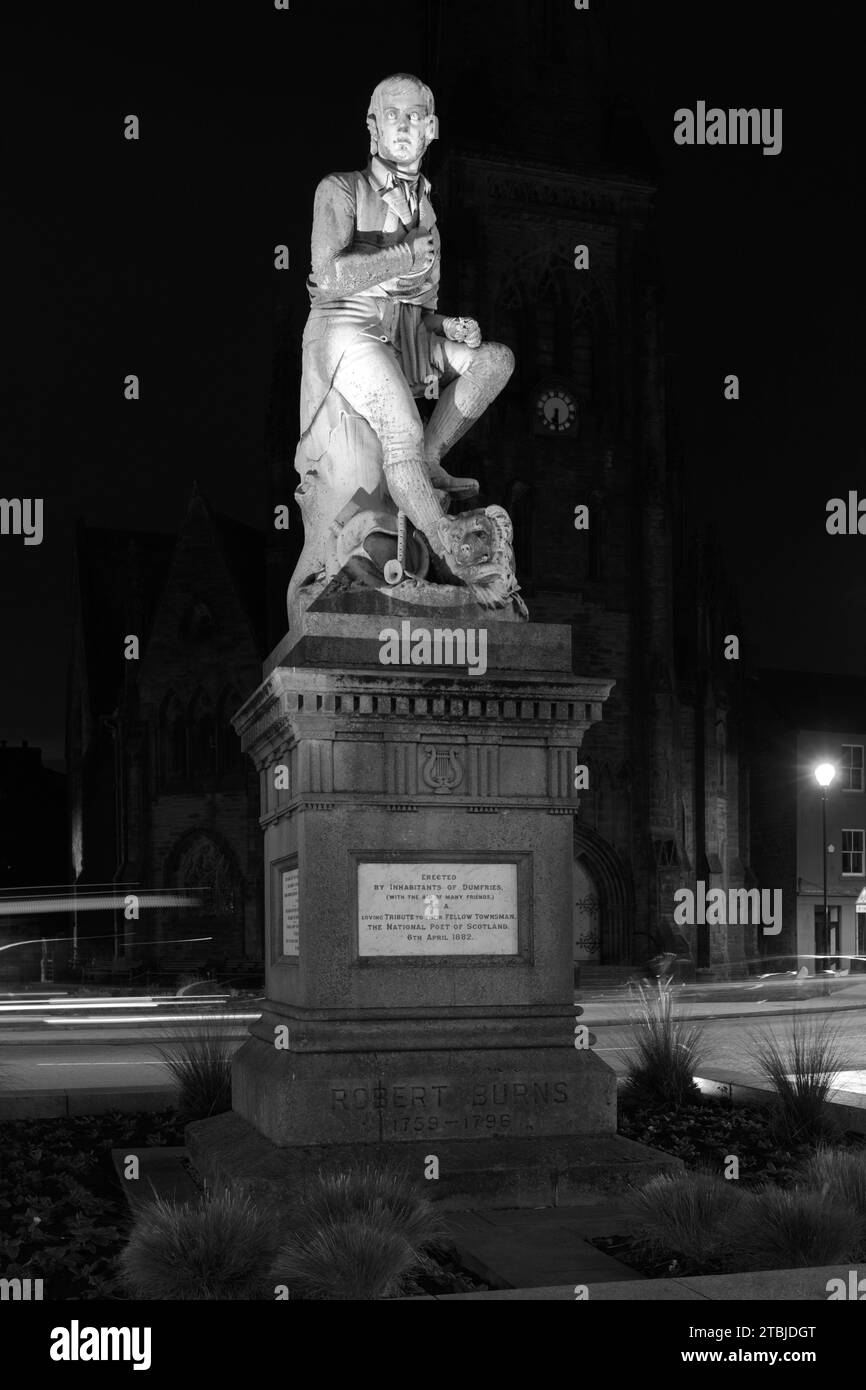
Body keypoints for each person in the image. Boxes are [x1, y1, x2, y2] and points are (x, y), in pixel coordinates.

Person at [295, 72, 515, 587]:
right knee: (401, 430)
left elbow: (420, 304)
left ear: (431, 128)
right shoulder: (340, 189)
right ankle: (447, 544)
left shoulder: (428, 212)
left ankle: (431, 460)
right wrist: (404, 255)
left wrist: (447, 326)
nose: (403, 125)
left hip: (405, 332)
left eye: (415, 115)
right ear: (372, 127)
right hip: (345, 326)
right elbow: (327, 275)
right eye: (391, 114)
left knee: (495, 361)